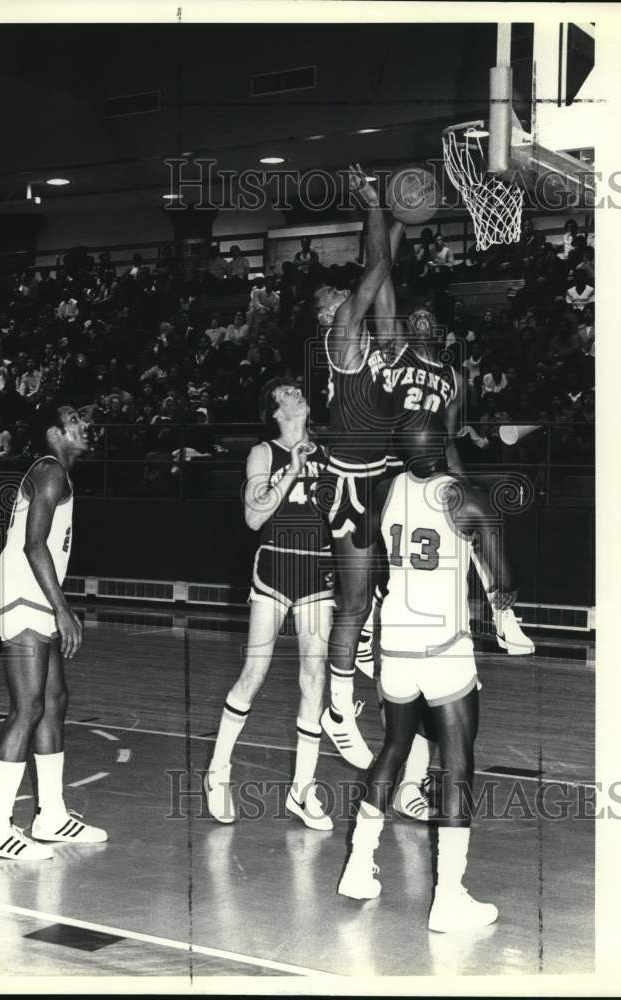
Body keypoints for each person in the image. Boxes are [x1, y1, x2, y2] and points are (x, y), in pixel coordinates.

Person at [337, 431, 516, 933]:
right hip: (444, 646)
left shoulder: (386, 490)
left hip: (395, 643)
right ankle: (449, 897)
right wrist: (503, 596)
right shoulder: (466, 497)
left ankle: (357, 867)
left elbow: (360, 543)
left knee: (393, 747)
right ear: (444, 448)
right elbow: (503, 581)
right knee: (457, 762)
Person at [204, 378, 335, 831]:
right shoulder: (264, 452)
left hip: (318, 572)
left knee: (314, 677)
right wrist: (292, 470)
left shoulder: (329, 452)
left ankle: (302, 790)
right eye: (288, 393)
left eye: (302, 390)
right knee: (254, 674)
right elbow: (254, 515)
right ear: (276, 411)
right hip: (275, 570)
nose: (300, 394)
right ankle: (218, 772)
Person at [0, 403, 107, 859]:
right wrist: (63, 609)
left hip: (33, 598)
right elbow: (34, 545)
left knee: (54, 700)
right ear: (54, 433)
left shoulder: (57, 474)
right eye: (74, 421)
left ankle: (51, 815)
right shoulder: (50, 471)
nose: (84, 425)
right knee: (28, 707)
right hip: (23, 597)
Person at [311, 165, 395, 769]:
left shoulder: (373, 338)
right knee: (355, 599)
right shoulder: (342, 335)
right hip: (351, 486)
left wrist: (394, 220)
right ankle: (338, 706)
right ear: (328, 315)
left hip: (381, 476)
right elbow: (373, 275)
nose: (339, 294)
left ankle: (363, 647)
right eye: (329, 296)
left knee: (381, 593)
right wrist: (371, 204)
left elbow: (384, 274)